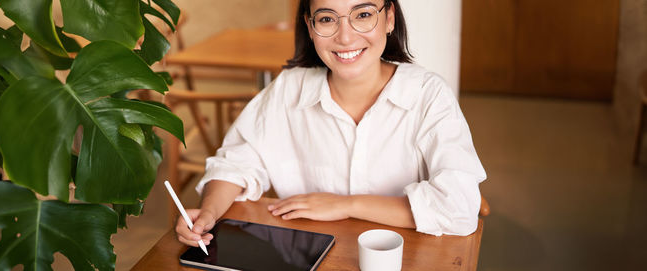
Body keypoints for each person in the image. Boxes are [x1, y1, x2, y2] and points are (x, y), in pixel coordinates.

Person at [175, 0, 486, 248]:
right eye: (326, 19)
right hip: (312, 255)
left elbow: (459, 207)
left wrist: (347, 205)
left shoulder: (429, 95)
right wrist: (209, 213)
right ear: (310, 27)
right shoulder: (289, 89)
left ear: (389, 17)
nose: (346, 36)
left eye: (362, 14)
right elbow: (236, 163)